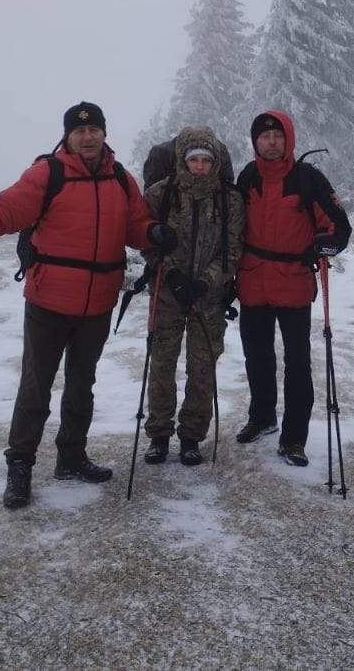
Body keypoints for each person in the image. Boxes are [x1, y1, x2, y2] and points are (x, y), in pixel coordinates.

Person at [0, 102, 177, 509]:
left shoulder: (121, 178)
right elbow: (6, 209)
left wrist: (152, 232)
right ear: (68, 136)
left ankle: (71, 456)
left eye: (95, 130)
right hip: (48, 301)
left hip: (98, 302)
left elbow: (133, 225)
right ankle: (20, 464)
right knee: (36, 387)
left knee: (82, 387)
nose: (88, 137)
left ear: (104, 133)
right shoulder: (48, 173)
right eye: (79, 131)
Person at [233, 111, 351, 467]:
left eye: (277, 136)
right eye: (264, 136)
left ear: (289, 139)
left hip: (294, 282)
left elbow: (339, 226)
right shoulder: (248, 177)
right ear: (255, 142)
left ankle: (294, 437)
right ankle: (262, 416)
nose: (271, 142)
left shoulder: (308, 179)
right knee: (257, 356)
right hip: (253, 280)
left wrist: (328, 243)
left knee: (297, 363)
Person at [141, 126, 244, 467]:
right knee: (162, 366)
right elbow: (146, 240)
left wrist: (205, 282)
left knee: (202, 369)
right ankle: (158, 434)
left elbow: (232, 251)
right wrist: (170, 272)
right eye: (193, 159)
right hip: (166, 294)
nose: (199, 166)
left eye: (206, 160)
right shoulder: (160, 194)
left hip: (209, 298)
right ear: (181, 160)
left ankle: (191, 437)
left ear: (216, 163)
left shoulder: (229, 200)